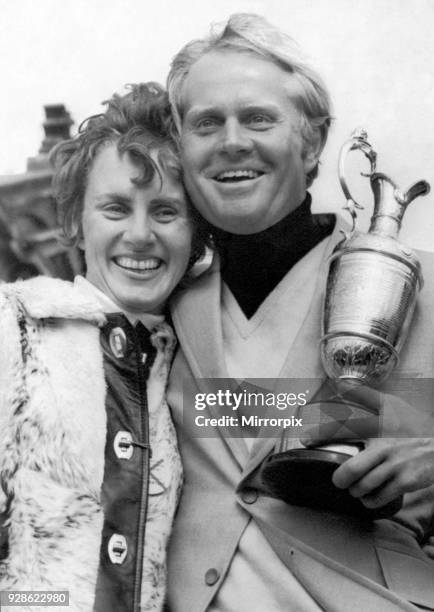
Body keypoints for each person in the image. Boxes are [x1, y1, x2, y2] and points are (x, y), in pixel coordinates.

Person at [165, 13, 434, 612]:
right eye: (206, 123)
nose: (232, 140)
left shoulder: (419, 284)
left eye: (258, 117)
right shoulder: (157, 307)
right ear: (181, 147)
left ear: (313, 141)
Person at [0, 82, 206, 612]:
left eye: (166, 212)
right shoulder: (17, 326)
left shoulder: (192, 363)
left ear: (198, 235)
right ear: (75, 221)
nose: (140, 234)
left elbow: (301, 416)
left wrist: (408, 434)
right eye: (116, 209)